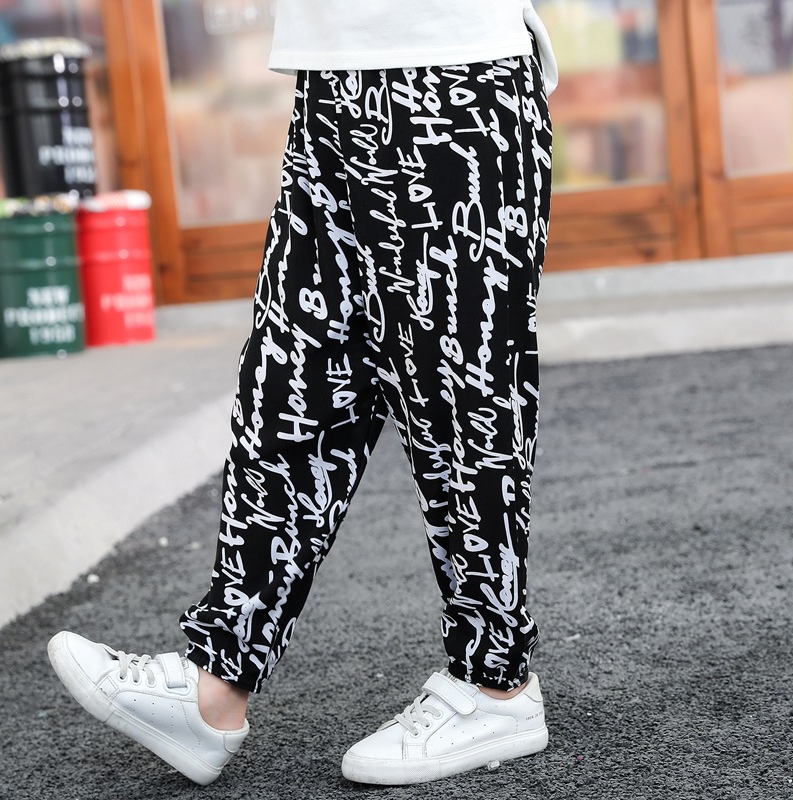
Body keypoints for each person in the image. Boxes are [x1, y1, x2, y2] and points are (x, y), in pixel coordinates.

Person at [48, 0, 558, 787]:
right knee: (292, 385)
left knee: (457, 399)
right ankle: (213, 686)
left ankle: (496, 684)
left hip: (451, 76)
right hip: (331, 81)